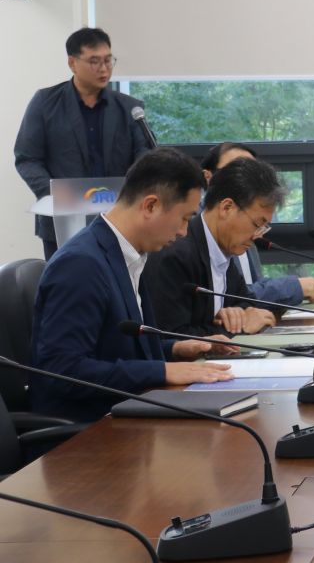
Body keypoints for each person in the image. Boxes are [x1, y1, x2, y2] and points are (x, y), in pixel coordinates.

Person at [30, 148, 233, 422]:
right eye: (185, 218)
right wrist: (162, 371)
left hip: (128, 413)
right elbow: (62, 371)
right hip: (87, 430)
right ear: (150, 206)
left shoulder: (128, 255)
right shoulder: (80, 264)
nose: (184, 232)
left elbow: (116, 349)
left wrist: (176, 348)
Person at [13, 28, 155, 258]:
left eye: (108, 60)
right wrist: (55, 195)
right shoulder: (45, 103)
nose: (104, 68)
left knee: (118, 280)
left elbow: (145, 153)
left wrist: (133, 189)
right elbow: (27, 158)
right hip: (64, 221)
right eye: (94, 61)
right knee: (65, 280)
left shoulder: (129, 108)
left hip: (120, 217)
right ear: (72, 63)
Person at [145, 156, 286, 337]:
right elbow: (171, 337)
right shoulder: (176, 254)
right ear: (227, 208)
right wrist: (237, 328)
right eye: (257, 224)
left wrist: (238, 314)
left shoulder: (223, 249)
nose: (257, 236)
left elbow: (246, 303)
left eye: (264, 227)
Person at [200, 141, 314, 307]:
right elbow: (228, 298)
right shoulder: (198, 231)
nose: (247, 179)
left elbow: (245, 292)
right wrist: (294, 287)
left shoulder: (248, 223)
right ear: (208, 177)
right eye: (236, 170)